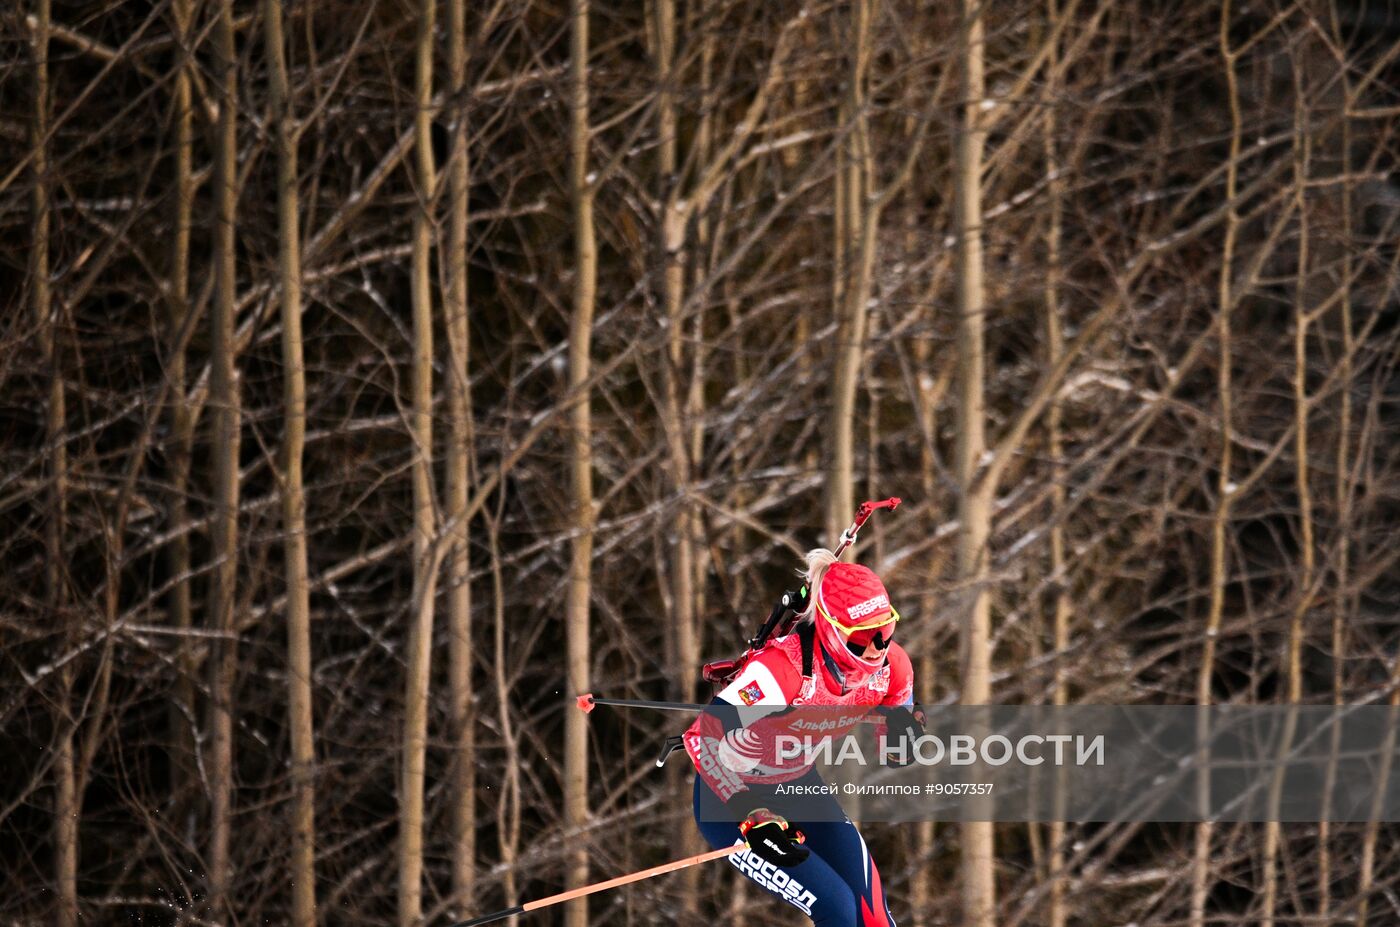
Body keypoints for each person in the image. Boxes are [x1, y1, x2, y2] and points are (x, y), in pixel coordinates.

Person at [684, 549, 923, 926]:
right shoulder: (782, 673)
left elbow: (898, 727)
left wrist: (902, 732)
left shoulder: (892, 667)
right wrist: (750, 813)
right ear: (830, 628)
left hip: (797, 786)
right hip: (730, 800)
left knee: (872, 915)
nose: (878, 647)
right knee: (837, 909)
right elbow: (703, 737)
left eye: (886, 630)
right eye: (864, 636)